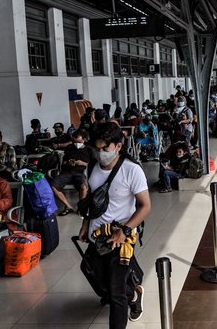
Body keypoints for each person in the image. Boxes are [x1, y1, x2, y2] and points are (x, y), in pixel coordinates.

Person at [78, 122, 151, 326]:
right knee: (92, 272)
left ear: (118, 146)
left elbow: (145, 206)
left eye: (105, 149)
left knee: (115, 293)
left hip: (121, 237)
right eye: (97, 149)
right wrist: (85, 224)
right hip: (97, 235)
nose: (101, 153)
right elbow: (92, 200)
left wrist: (125, 231)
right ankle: (133, 293)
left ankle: (127, 297)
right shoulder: (92, 167)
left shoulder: (131, 170)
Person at [51, 129, 92, 216]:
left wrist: (81, 163)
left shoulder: (89, 150)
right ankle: (68, 206)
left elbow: (91, 164)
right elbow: (64, 163)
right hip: (67, 172)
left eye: (79, 142)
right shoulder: (69, 148)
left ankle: (82, 208)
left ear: (84, 139)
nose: (76, 144)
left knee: (83, 187)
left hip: (80, 173)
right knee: (53, 186)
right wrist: (69, 162)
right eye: (74, 142)